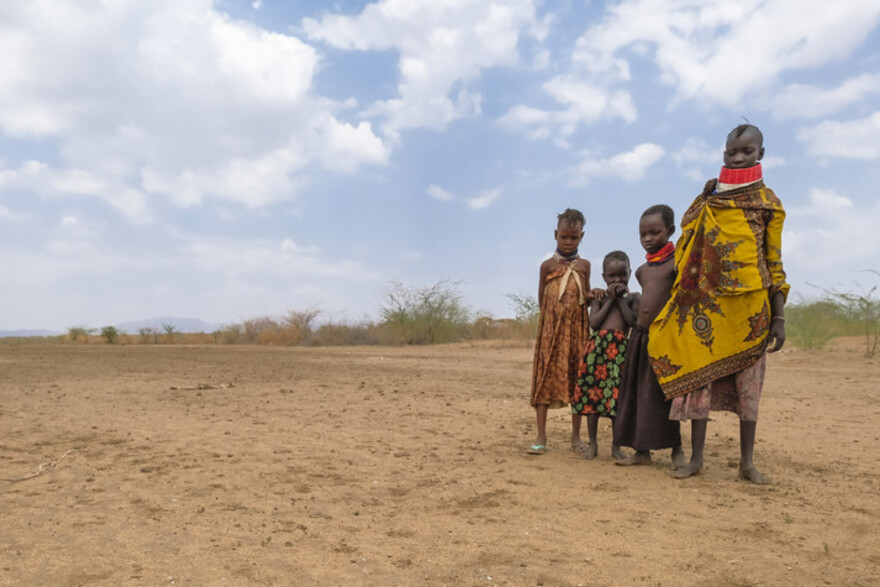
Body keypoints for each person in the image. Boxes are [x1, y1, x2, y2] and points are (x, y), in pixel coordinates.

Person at [649, 124, 787, 484]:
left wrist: (779, 317)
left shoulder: (768, 203)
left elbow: (774, 262)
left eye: (747, 151)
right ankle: (696, 460)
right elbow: (688, 243)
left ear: (761, 154)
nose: (738, 158)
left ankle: (746, 463)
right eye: (731, 152)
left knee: (749, 389)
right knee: (701, 382)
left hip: (750, 310)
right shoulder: (707, 198)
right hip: (705, 307)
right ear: (723, 153)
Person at [614, 205, 685, 466]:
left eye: (654, 232)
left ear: (670, 230)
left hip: (664, 339)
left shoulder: (677, 264)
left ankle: (677, 449)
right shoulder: (642, 270)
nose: (647, 238)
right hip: (640, 337)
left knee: (665, 395)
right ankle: (641, 451)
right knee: (637, 395)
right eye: (642, 234)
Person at [528, 208, 591, 455]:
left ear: (581, 237)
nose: (568, 242)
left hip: (577, 332)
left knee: (578, 379)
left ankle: (576, 438)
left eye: (574, 237)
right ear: (556, 235)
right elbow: (541, 299)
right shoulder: (547, 266)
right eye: (564, 237)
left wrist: (595, 293)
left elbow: (585, 297)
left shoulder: (584, 266)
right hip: (550, 332)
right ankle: (541, 436)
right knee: (544, 377)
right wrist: (551, 325)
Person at [572, 251, 638, 460]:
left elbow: (631, 321)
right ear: (604, 277)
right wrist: (610, 300)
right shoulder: (599, 298)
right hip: (597, 353)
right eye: (612, 276)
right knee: (593, 398)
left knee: (616, 400)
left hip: (619, 354)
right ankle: (593, 444)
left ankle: (616, 446)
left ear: (630, 273)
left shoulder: (633, 298)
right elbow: (594, 323)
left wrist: (619, 300)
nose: (617, 280)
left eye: (622, 275)